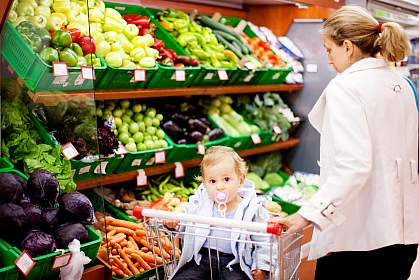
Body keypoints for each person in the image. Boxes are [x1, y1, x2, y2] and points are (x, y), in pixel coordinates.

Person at [275, 6, 419, 280]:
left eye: (329, 49)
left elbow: (354, 165)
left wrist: (307, 215)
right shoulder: (401, 84)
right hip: (403, 236)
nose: (328, 59)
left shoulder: (347, 86)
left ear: (348, 47)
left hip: (358, 240)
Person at [166, 146, 270, 280]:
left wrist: (260, 265)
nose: (219, 186)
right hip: (201, 259)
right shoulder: (200, 202)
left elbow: (263, 240)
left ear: (241, 180)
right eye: (212, 181)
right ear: (204, 183)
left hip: (234, 262)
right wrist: (175, 222)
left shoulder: (252, 208)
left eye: (226, 179)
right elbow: (186, 224)